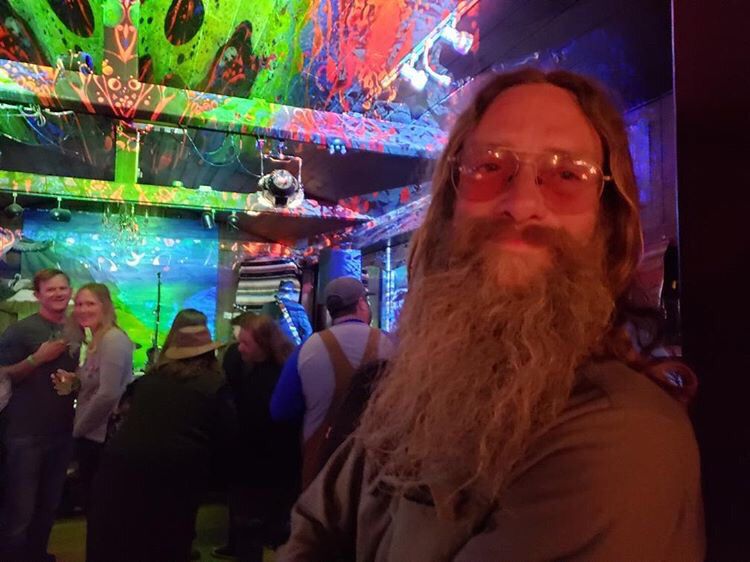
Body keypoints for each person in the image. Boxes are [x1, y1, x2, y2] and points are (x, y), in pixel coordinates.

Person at [278, 69, 705, 561]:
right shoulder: (418, 390)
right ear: (450, 208)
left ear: (607, 224)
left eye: (567, 174)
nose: (521, 205)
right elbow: (314, 527)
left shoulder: (625, 438)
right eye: (490, 166)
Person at [85, 323, 234, 562]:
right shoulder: (214, 386)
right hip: (173, 475)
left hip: (119, 468)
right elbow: (226, 437)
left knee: (116, 541)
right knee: (166, 543)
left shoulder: (149, 380)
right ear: (210, 355)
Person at [271, 276, 394, 488]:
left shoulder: (306, 349)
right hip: (378, 469)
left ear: (331, 311)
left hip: (322, 468)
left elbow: (280, 410)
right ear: (361, 303)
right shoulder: (392, 344)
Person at [0, 268, 80, 562]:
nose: (58, 293)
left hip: (61, 431)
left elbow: (76, 374)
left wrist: (75, 382)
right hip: (25, 433)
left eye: (63, 288)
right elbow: (3, 373)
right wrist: (36, 359)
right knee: (19, 511)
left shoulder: (75, 329)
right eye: (51, 289)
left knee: (48, 507)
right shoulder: (21, 331)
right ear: (38, 295)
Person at [214, 313, 301, 562]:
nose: (239, 348)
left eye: (245, 343)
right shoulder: (282, 371)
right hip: (275, 469)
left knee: (250, 536)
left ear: (263, 345)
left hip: (258, 469)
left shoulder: (264, 380)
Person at [52, 283, 133, 512]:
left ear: (105, 306)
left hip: (103, 438)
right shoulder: (97, 339)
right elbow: (95, 382)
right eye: (79, 304)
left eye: (90, 304)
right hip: (94, 436)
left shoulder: (113, 340)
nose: (83, 309)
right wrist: (75, 382)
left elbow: (108, 393)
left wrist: (78, 429)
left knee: (102, 507)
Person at [261, 280, 314, 345]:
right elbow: (308, 331)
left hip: (271, 347)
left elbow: (260, 330)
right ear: (291, 293)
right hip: (292, 346)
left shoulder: (267, 306)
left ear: (279, 292)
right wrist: (301, 345)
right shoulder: (298, 308)